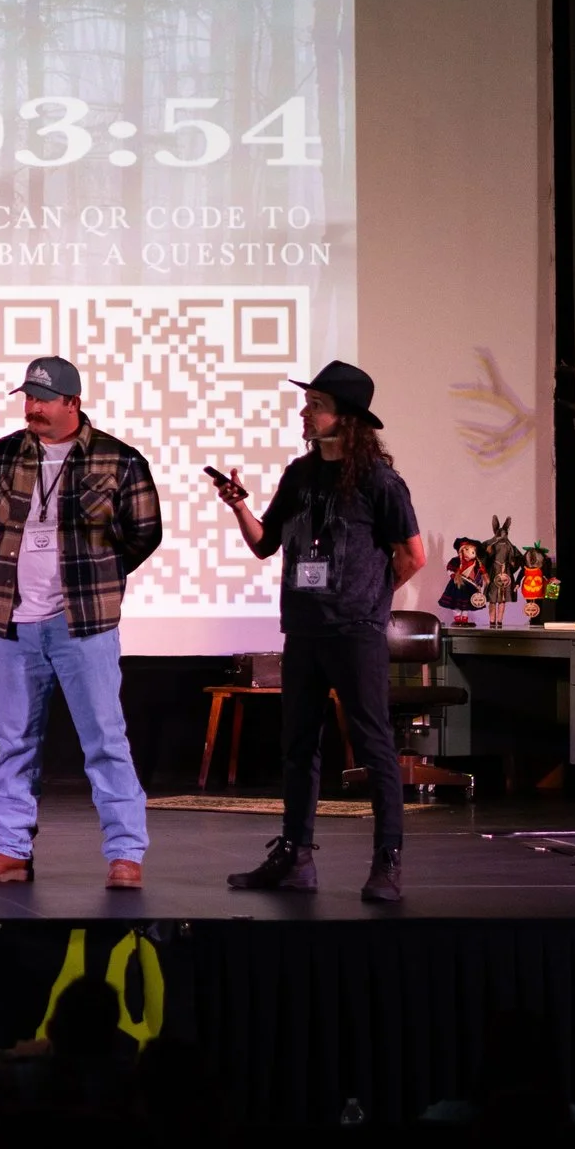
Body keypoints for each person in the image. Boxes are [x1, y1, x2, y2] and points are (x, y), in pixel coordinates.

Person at [211, 359, 426, 902]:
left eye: (317, 406)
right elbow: (266, 543)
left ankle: (387, 860)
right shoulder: (300, 475)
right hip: (303, 629)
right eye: (308, 404)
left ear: (346, 418)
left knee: (374, 745)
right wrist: (239, 507)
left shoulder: (380, 481)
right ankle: (296, 857)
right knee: (298, 746)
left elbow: (413, 555)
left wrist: (372, 603)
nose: (305, 414)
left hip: (356, 632)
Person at [0, 356, 162, 888]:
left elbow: (144, 532)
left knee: (104, 740)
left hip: (83, 625)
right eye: (27, 398)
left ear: (72, 403)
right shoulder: (0, 458)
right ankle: (10, 850)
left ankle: (125, 854)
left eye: (43, 399)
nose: (32, 408)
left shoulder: (118, 460)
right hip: (14, 623)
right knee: (14, 742)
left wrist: (97, 575)